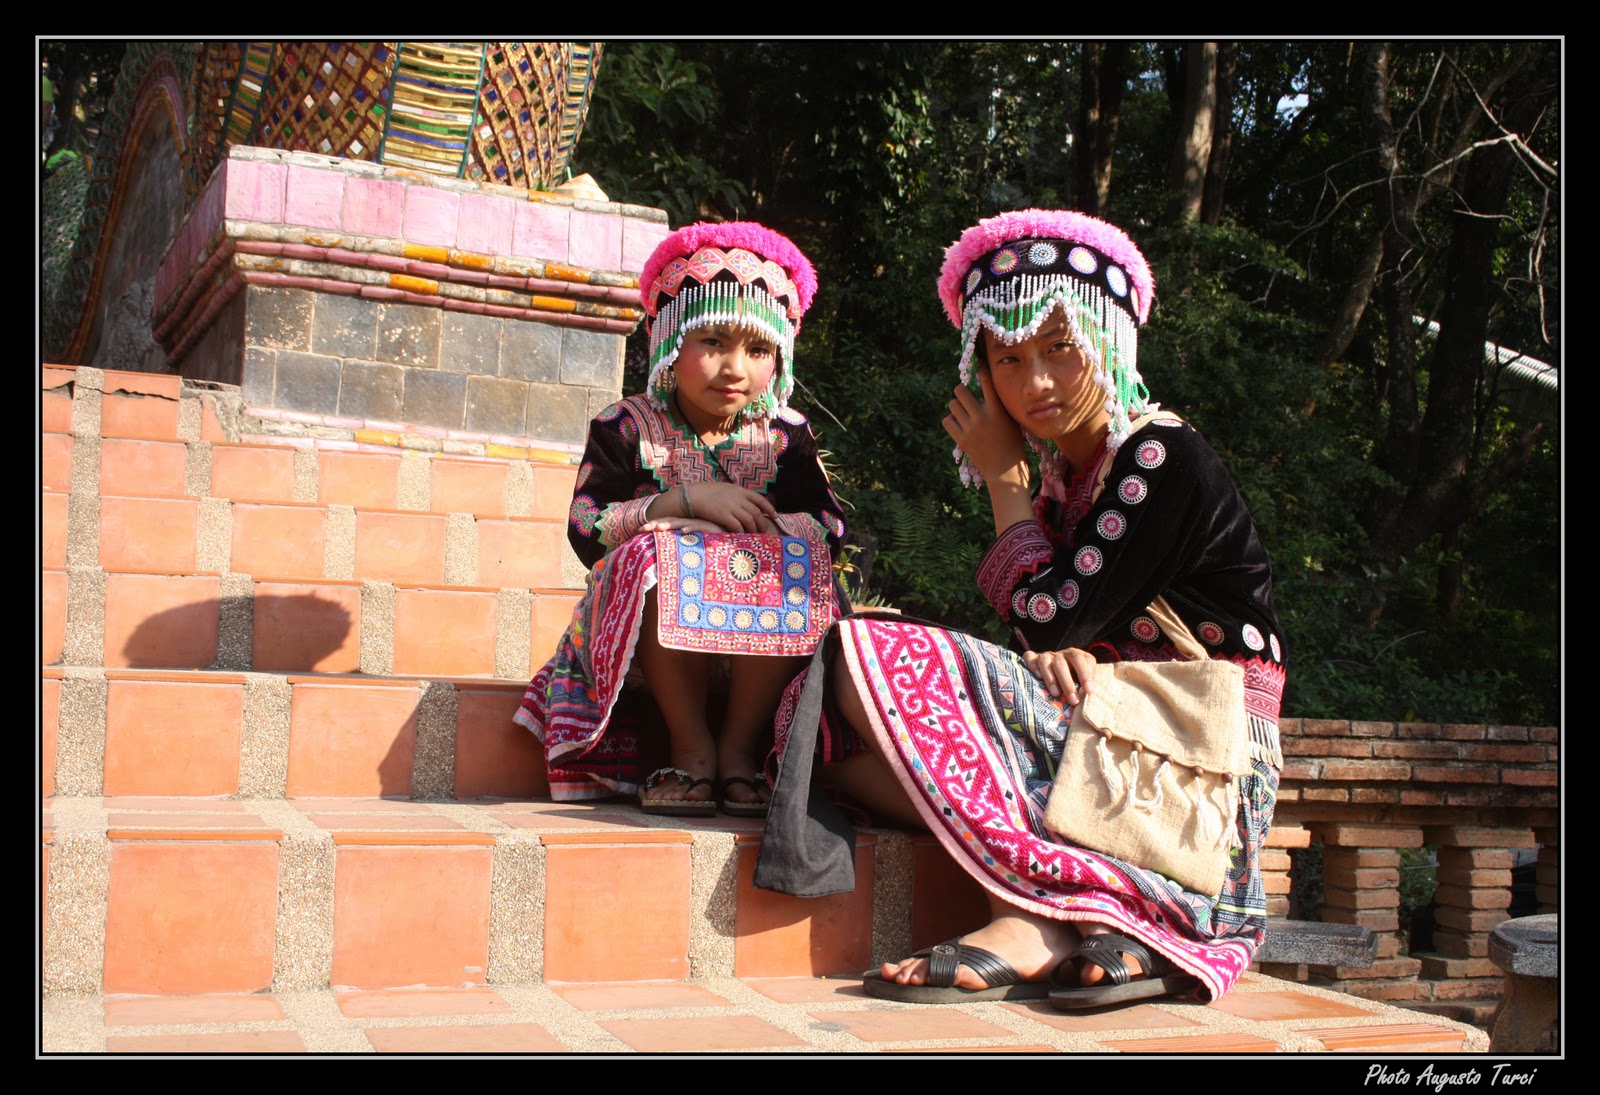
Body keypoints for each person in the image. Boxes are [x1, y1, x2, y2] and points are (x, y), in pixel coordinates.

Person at [758, 209, 1285, 1008]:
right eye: (1007, 359)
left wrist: (1005, 487)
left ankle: (1032, 917)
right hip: (1107, 729)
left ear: (1111, 342)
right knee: (838, 745)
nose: (1034, 382)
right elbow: (1054, 633)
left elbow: (1048, 616)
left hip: (1188, 762)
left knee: (873, 655)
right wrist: (1055, 639)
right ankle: (1079, 911)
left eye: (1059, 350)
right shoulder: (1068, 481)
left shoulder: (1157, 455)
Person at [515, 221, 846, 817]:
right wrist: (681, 505)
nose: (735, 368)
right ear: (667, 336)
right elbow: (586, 524)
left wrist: (745, 538)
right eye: (714, 342)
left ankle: (742, 752)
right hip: (652, 638)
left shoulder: (786, 436)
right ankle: (691, 751)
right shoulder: (625, 425)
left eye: (758, 350)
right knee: (655, 556)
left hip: (761, 640)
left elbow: (829, 526)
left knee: (790, 564)